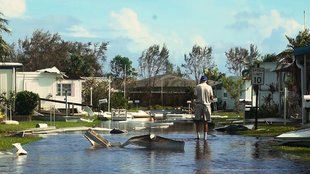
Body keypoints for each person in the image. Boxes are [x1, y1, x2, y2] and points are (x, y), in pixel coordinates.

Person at [194, 75, 214, 140]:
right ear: (206, 80)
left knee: (197, 121)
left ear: (201, 80)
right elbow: (211, 97)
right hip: (207, 105)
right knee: (206, 122)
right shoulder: (209, 87)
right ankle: (205, 137)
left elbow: (195, 96)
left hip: (199, 105)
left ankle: (198, 136)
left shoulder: (197, 86)